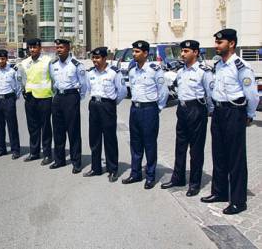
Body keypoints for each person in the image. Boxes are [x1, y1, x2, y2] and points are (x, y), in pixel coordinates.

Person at [201, 28, 258, 215]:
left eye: (220, 43)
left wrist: (249, 114)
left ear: (231, 44)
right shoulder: (219, 65)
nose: (216, 46)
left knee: (236, 158)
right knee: (219, 154)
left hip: (234, 113)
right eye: (216, 42)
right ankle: (220, 192)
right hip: (218, 112)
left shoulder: (241, 66)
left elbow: (252, 94)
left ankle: (238, 200)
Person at [161, 40, 213, 197]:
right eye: (182, 51)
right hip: (182, 110)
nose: (182, 54)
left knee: (196, 150)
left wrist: (208, 111)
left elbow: (211, 95)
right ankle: (178, 178)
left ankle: (195, 183)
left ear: (195, 52)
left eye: (186, 51)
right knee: (180, 146)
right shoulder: (181, 71)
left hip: (197, 110)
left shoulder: (204, 71)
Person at [122, 40, 168, 189]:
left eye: (137, 52)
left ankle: (150, 176)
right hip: (134, 109)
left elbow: (163, 91)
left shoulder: (154, 69)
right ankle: (135, 173)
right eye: (133, 51)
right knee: (135, 143)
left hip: (149, 110)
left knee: (149, 144)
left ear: (146, 53)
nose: (133, 54)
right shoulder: (132, 70)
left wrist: (157, 108)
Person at [84, 47, 126, 181]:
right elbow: (88, 88)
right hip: (94, 105)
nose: (95, 61)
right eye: (93, 58)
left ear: (105, 58)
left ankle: (112, 169)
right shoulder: (90, 73)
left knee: (110, 139)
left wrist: (111, 103)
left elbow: (122, 91)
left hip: (107, 106)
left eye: (97, 58)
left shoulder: (114, 73)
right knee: (94, 138)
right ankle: (96, 168)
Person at [49, 39, 87, 174]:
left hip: (71, 98)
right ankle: (59, 160)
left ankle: (76, 162)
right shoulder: (53, 64)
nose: (58, 49)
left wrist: (77, 98)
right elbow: (53, 81)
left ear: (68, 48)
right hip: (58, 97)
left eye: (61, 47)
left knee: (73, 131)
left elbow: (84, 85)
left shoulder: (76, 65)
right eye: (57, 47)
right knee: (58, 131)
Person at [18, 38, 54, 165]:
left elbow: (53, 79)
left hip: (45, 98)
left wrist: (52, 94)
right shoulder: (25, 63)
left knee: (45, 127)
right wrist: (24, 90)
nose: (32, 50)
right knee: (32, 127)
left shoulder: (48, 61)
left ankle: (47, 154)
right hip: (30, 98)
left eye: (35, 47)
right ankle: (34, 152)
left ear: (40, 48)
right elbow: (22, 79)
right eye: (30, 47)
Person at [0, 49, 21, 159]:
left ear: (6, 59)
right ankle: (1, 148)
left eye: (3, 59)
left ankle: (15, 150)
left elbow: (18, 86)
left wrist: (13, 98)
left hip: (9, 99)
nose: (0, 61)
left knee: (12, 126)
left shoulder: (13, 70)